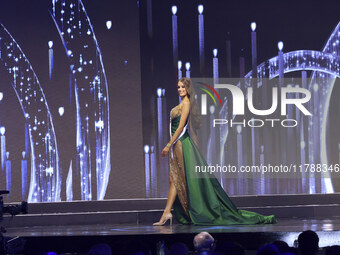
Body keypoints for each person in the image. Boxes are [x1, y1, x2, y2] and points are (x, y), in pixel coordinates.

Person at [153, 77, 277, 226]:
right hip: (178, 144)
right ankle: (167, 212)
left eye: (183, 87)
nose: (180, 89)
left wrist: (168, 145)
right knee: (174, 179)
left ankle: (168, 212)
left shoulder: (186, 104)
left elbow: (180, 128)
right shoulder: (181, 103)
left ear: (188, 89)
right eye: (178, 87)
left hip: (180, 144)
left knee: (176, 179)